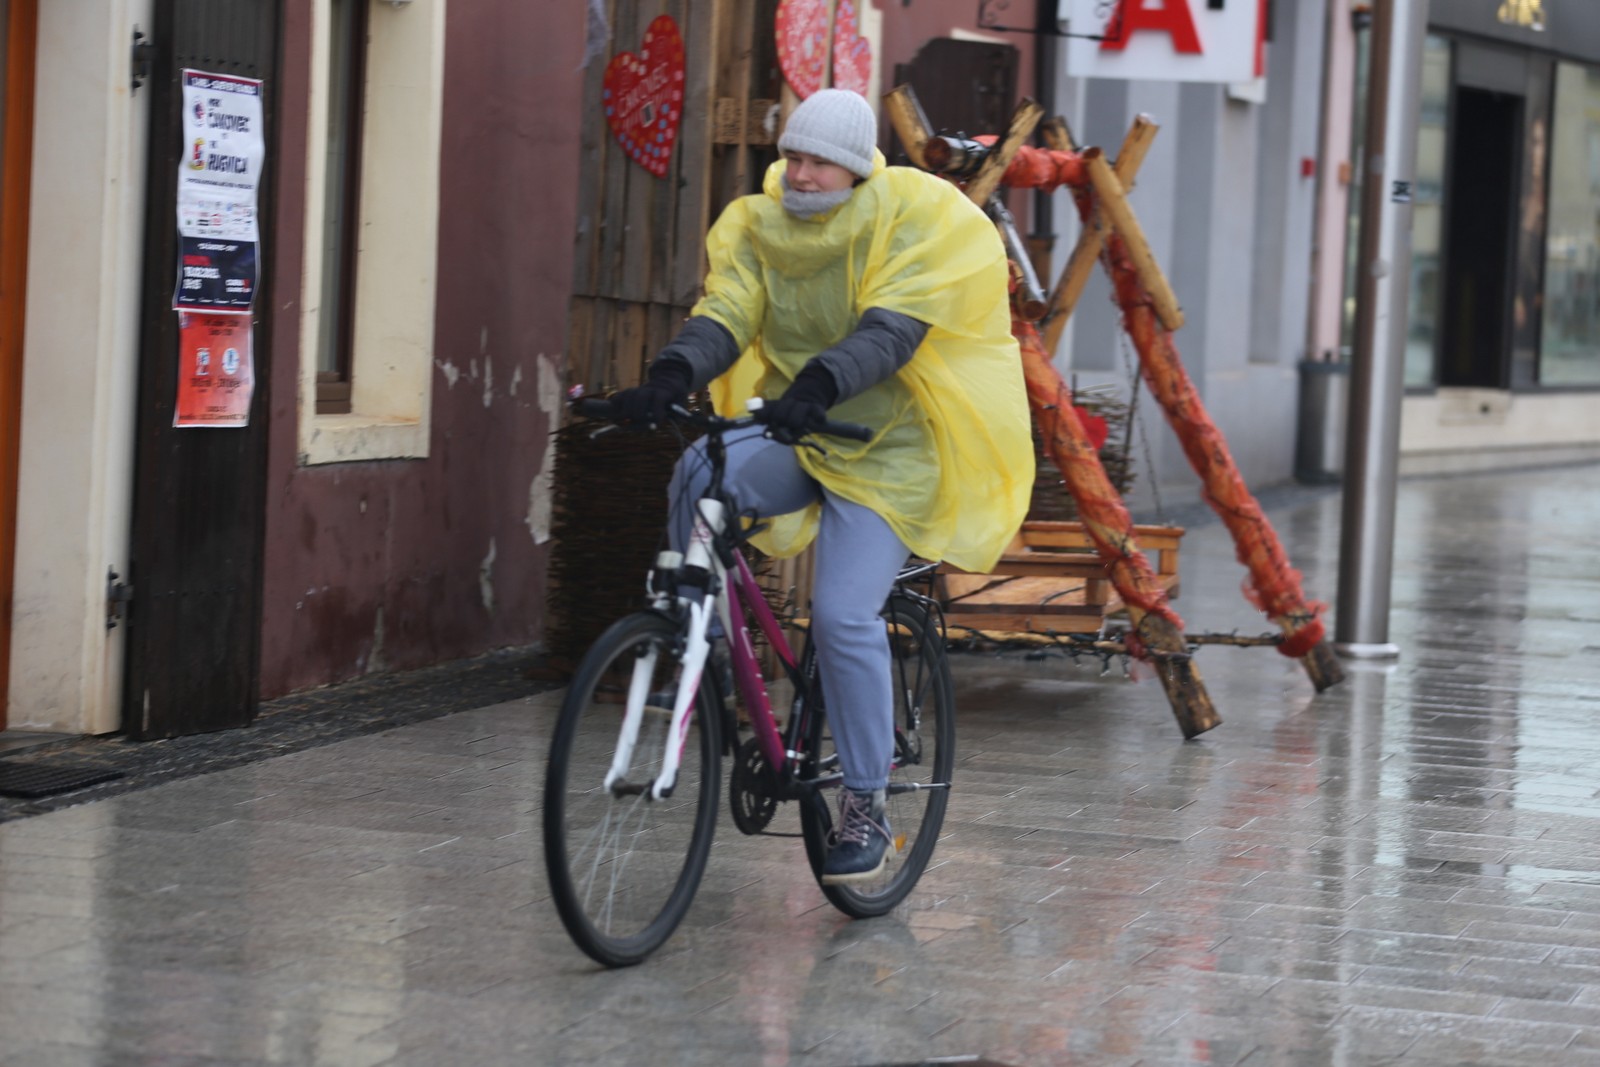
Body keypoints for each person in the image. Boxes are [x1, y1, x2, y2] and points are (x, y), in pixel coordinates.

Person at [609, 88, 1033, 884]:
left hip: (891, 450)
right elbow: (729, 308)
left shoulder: (904, 215)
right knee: (700, 468)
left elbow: (893, 328)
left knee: (841, 616)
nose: (799, 175)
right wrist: (672, 373)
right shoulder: (761, 224)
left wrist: (819, 381)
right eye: (792, 157)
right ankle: (688, 642)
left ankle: (865, 802)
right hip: (803, 430)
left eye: (818, 163)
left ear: (854, 168)